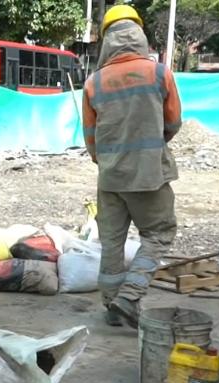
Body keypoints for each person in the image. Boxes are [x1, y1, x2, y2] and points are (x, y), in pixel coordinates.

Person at [82, 5, 182, 328]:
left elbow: (90, 137)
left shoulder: (93, 83)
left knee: (111, 243)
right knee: (159, 232)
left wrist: (107, 160)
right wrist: (154, 142)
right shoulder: (158, 73)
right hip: (149, 175)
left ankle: (112, 308)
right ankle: (130, 295)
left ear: (107, 39)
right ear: (139, 34)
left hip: (110, 177)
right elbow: (174, 122)